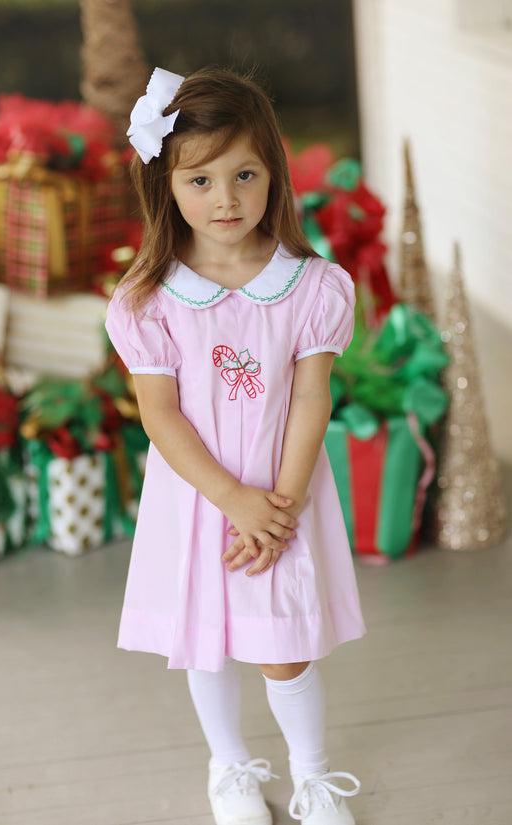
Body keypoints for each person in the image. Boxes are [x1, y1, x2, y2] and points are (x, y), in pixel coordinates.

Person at [106, 66, 366, 825]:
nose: (225, 199)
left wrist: (278, 507)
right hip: (201, 500)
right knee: (208, 642)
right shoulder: (149, 300)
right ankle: (230, 768)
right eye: (201, 179)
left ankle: (313, 776)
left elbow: (312, 395)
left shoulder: (311, 287)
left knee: (284, 644)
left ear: (273, 176)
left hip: (281, 494)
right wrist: (232, 500)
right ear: (167, 186)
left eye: (245, 174)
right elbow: (161, 413)